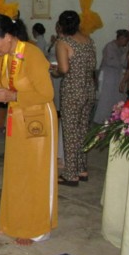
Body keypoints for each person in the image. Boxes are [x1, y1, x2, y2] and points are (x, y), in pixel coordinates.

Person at [0, 14, 58, 246]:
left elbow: (47, 93)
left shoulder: (32, 54)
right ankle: (12, 221)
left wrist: (13, 96)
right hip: (16, 116)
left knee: (34, 171)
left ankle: (36, 228)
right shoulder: (4, 57)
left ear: (8, 36)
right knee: (15, 170)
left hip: (38, 117)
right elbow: (3, 86)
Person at [55, 10, 96, 186]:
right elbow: (93, 65)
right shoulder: (88, 40)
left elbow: (64, 69)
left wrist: (54, 70)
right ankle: (82, 169)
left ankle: (71, 174)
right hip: (89, 89)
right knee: (82, 131)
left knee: (70, 132)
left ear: (60, 25)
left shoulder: (63, 42)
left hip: (72, 90)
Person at [93, 29, 129, 124]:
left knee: (115, 98)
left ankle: (113, 117)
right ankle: (101, 119)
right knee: (105, 98)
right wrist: (122, 63)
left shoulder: (122, 48)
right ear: (121, 38)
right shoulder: (110, 46)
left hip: (116, 76)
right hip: (107, 76)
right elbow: (110, 61)